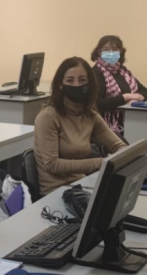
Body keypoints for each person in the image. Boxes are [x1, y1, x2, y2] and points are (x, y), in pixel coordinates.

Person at [34, 57, 127, 195]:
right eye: (70, 80)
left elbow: (119, 146)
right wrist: (102, 163)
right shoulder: (48, 117)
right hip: (57, 192)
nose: (77, 85)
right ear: (60, 84)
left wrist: (117, 157)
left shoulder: (89, 115)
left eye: (82, 80)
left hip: (84, 184)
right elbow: (52, 164)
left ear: (90, 83)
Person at [91, 35, 147, 136]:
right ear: (99, 52)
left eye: (115, 50)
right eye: (106, 50)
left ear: (120, 52)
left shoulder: (123, 71)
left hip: (128, 121)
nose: (111, 53)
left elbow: (144, 91)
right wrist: (126, 97)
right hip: (106, 126)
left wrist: (135, 99)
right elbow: (99, 104)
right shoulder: (96, 72)